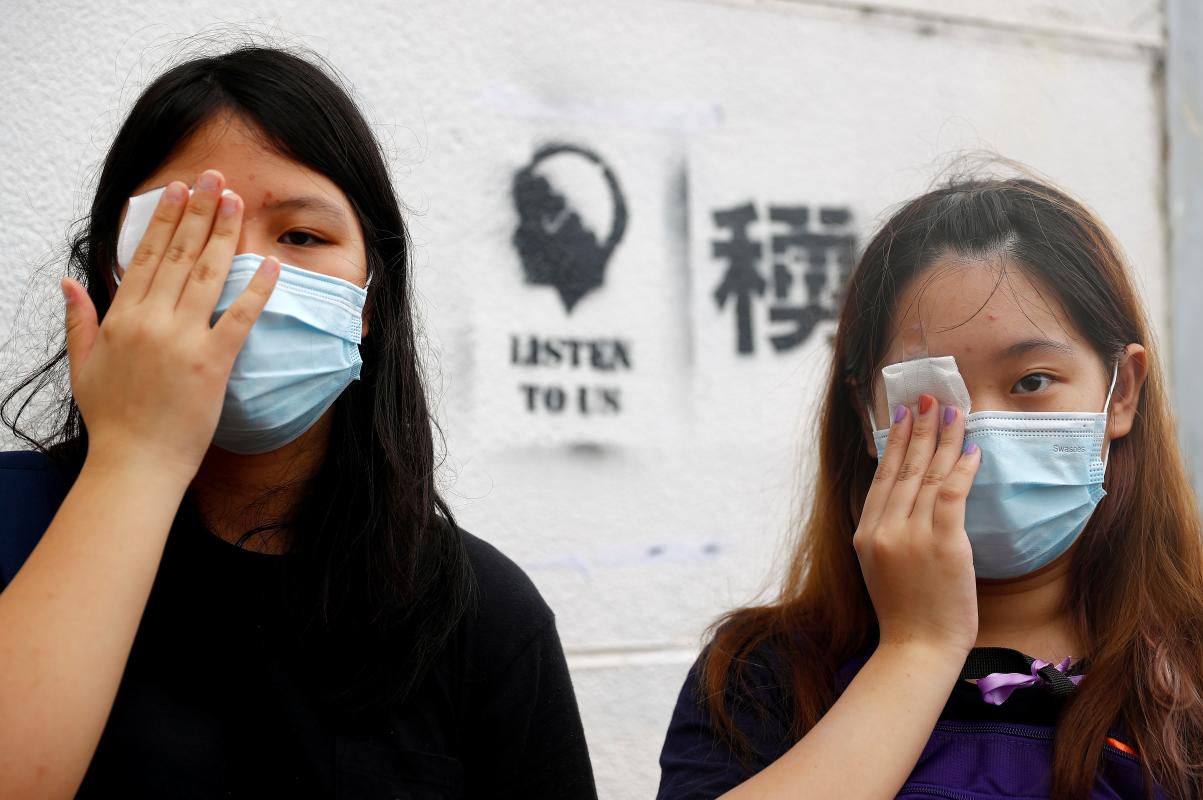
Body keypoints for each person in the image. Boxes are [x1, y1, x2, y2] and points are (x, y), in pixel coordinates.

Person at [0, 45, 596, 799]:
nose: (245, 280)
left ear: (371, 300)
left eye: (302, 238)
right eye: (186, 234)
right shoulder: (11, 521)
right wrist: (140, 454)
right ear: (112, 277)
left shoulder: (476, 613)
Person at [658, 176, 1203, 799]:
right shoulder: (759, 674)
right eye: (934, 396)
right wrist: (917, 649)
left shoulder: (1187, 672)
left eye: (1032, 382)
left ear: (1121, 392)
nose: (978, 434)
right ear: (871, 414)